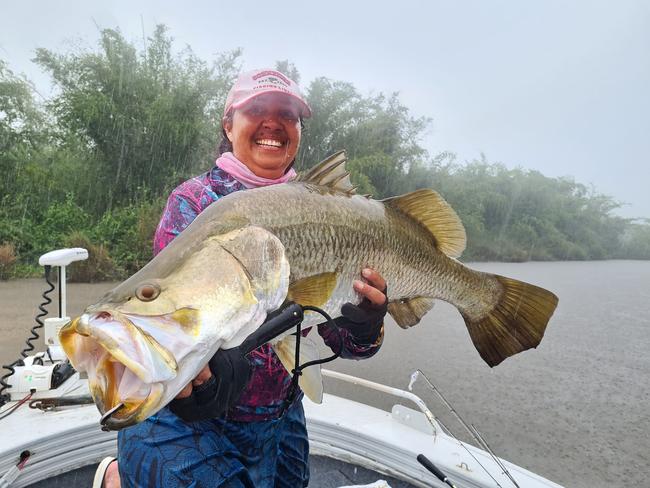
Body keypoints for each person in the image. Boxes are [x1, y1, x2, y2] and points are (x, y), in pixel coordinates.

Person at [97, 69, 387, 488]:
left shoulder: (340, 213)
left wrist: (366, 324)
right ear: (228, 124)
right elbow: (172, 314)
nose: (273, 122)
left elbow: (346, 344)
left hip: (280, 414)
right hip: (189, 424)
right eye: (256, 109)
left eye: (288, 114)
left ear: (299, 132)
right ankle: (116, 476)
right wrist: (204, 376)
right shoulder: (195, 202)